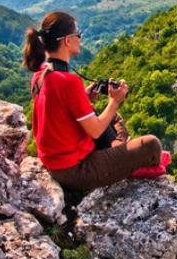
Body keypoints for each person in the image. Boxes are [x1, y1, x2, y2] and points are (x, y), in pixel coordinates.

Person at [22, 11, 168, 191]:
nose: (80, 39)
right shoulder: (68, 81)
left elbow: (57, 108)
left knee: (113, 118)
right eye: (78, 34)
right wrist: (115, 101)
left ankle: (123, 154)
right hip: (76, 170)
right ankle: (135, 163)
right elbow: (96, 131)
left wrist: (82, 95)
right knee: (151, 144)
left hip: (54, 162)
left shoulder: (41, 75)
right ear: (67, 40)